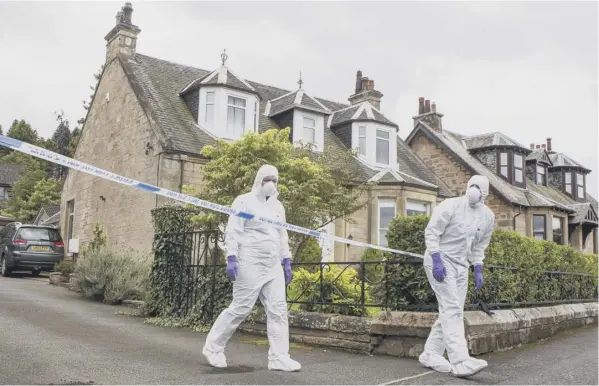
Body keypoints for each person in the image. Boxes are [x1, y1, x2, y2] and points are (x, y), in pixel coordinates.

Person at [202, 164, 301, 372]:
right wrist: (231, 257)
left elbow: (282, 235)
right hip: (249, 261)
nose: (271, 183)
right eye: (267, 179)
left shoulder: (278, 207)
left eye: (274, 179)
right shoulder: (243, 201)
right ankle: (213, 348)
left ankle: (279, 357)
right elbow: (234, 231)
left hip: (273, 264)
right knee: (240, 308)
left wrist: (286, 260)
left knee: (278, 310)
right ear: (259, 180)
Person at [418, 175, 495, 378]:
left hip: (461, 265)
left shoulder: (488, 216)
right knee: (451, 308)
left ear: (485, 192)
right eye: (473, 186)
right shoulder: (450, 205)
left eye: (479, 187)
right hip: (441, 260)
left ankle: (431, 353)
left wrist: (477, 267)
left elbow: (480, 245)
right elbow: (432, 232)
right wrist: (436, 258)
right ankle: (460, 361)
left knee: (453, 310)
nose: (475, 190)